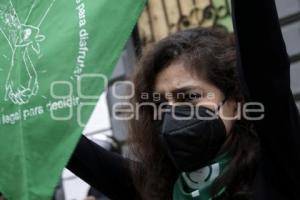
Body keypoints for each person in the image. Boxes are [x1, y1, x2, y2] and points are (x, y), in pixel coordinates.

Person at [67, 0, 300, 199]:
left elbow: (262, 58)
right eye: (161, 104)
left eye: (189, 97)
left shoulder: (275, 162)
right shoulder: (159, 188)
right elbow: (68, 147)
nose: (173, 114)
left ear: (237, 102)